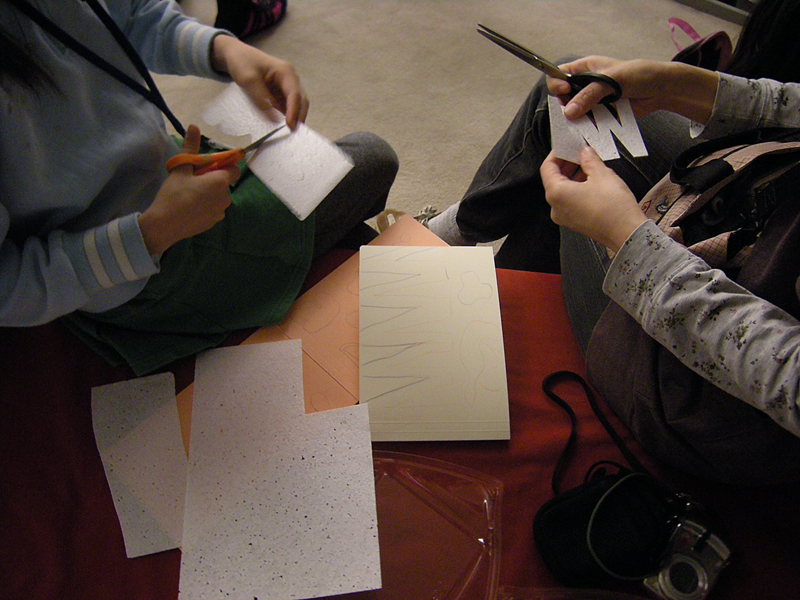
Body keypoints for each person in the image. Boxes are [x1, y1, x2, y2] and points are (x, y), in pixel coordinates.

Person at [420, 1, 800, 484]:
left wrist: (626, 240)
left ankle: (473, 310)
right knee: (568, 101)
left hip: (715, 400)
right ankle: (445, 242)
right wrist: (681, 84)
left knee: (564, 191)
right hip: (763, 209)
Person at [0, 0, 398, 376]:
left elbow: (134, 13)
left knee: (348, 211)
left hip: (167, 180)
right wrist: (153, 232)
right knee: (373, 158)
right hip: (138, 272)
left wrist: (224, 49)